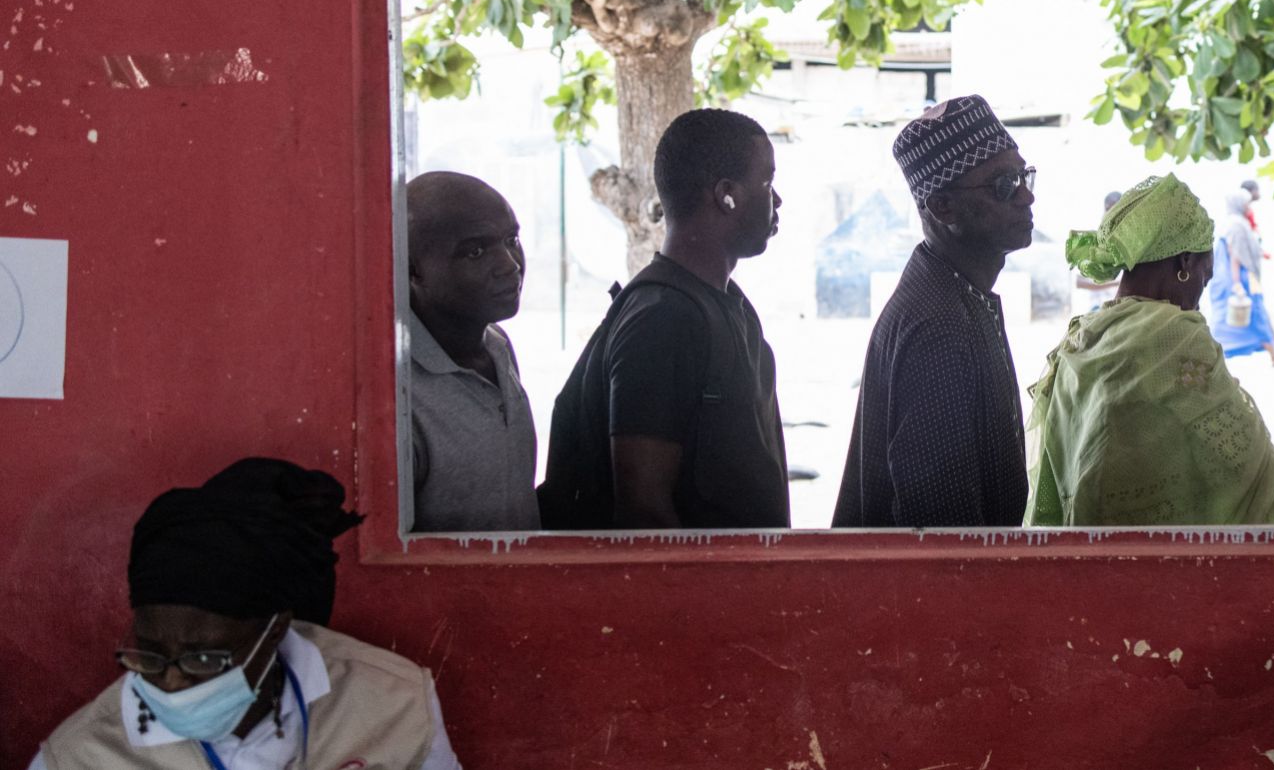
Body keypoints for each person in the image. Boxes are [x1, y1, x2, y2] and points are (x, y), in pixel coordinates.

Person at [31, 458, 460, 770]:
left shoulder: (392, 702)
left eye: (204, 659)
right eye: (150, 654)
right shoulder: (81, 755)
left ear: (273, 631)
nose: (173, 682)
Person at [539, 108, 788, 530]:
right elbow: (643, 510)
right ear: (726, 194)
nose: (776, 199)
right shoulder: (662, 319)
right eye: (767, 182)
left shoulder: (726, 303)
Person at [1025, 175, 1274, 526]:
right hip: (1154, 562)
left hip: (1086, 554)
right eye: (1204, 279)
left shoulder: (1083, 337)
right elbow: (1242, 464)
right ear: (1185, 263)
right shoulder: (1174, 336)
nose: (1198, 301)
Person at [833, 95, 1034, 528]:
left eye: (1023, 176)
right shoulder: (939, 326)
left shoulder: (955, 293)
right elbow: (944, 539)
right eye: (1003, 185)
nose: (1026, 195)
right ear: (943, 207)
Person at [404, 171, 540, 532]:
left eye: (511, 239)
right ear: (413, 270)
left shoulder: (498, 346)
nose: (510, 265)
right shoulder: (399, 394)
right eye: (475, 251)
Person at [1207, 188, 1274, 366]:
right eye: (1247, 203)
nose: (1249, 206)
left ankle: (1273, 353)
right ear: (1240, 204)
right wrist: (1237, 283)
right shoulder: (1237, 224)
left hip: (1238, 277)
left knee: (1251, 315)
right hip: (1243, 278)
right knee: (1256, 314)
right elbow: (1236, 254)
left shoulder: (1231, 222)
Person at [1073, 191, 1125, 311]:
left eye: (1118, 210)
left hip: (1119, 311)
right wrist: (1117, 284)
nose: (1113, 215)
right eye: (1109, 209)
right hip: (1096, 310)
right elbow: (1078, 282)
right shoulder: (1092, 239)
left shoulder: (1130, 242)